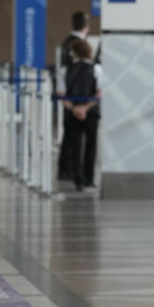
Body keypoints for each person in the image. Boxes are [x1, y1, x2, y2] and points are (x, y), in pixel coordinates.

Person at [61, 39, 100, 192]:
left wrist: (75, 109)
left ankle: (78, 179)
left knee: (75, 146)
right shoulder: (96, 69)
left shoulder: (65, 70)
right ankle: (89, 178)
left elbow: (62, 94)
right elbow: (99, 92)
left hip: (71, 114)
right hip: (91, 112)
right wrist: (85, 108)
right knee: (91, 146)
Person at [57, 11, 90, 180]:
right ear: (86, 25)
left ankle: (65, 168)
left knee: (69, 135)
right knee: (74, 137)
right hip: (78, 95)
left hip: (68, 97)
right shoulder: (78, 44)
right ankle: (69, 169)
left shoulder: (66, 42)